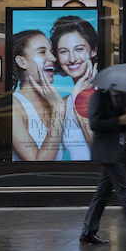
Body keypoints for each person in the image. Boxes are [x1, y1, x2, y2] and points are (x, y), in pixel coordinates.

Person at [80, 89, 126, 244]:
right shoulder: (99, 97)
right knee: (124, 191)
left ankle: (87, 232)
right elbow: (94, 124)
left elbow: (121, 127)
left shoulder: (122, 97)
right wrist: (120, 120)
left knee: (102, 193)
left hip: (118, 149)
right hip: (108, 151)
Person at [10, 30, 66, 161]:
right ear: (21, 62)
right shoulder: (14, 106)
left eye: (51, 52)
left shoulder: (55, 102)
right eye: (42, 52)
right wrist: (59, 109)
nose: (53, 58)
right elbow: (38, 164)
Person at [50, 15, 99, 160]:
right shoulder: (63, 104)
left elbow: (103, 152)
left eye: (79, 49)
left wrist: (80, 99)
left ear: (94, 50)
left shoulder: (108, 94)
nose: (72, 59)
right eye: (64, 51)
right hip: (75, 180)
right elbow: (54, 159)